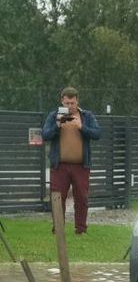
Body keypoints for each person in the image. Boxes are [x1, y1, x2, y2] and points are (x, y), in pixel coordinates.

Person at [41, 86, 101, 235]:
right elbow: (45, 135)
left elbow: (97, 133)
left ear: (77, 101)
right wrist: (57, 126)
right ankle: (58, 229)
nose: (70, 106)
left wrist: (82, 127)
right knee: (57, 198)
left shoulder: (86, 116)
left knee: (82, 198)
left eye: (72, 103)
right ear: (62, 101)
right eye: (67, 103)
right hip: (59, 165)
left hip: (81, 165)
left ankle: (80, 230)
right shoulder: (54, 116)